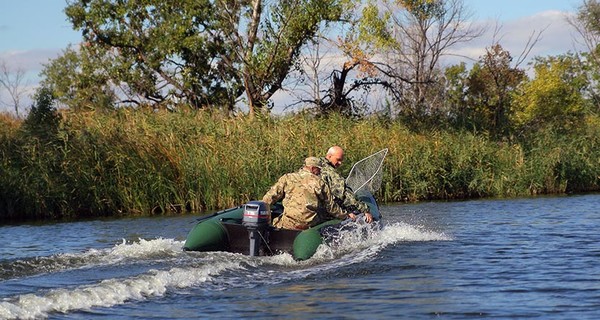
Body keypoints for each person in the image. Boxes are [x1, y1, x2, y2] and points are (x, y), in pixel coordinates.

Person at [262, 157, 348, 230]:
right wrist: (345, 215)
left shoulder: (288, 178)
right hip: (309, 224)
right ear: (312, 168)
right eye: (318, 169)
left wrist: (262, 210)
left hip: (288, 223)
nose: (319, 172)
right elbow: (331, 207)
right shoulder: (320, 183)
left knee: (274, 221)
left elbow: (270, 197)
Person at [319, 146, 374, 223]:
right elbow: (344, 194)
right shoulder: (331, 173)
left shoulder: (316, 165)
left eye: (341, 160)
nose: (340, 163)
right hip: (324, 212)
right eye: (338, 160)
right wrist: (365, 210)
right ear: (329, 156)